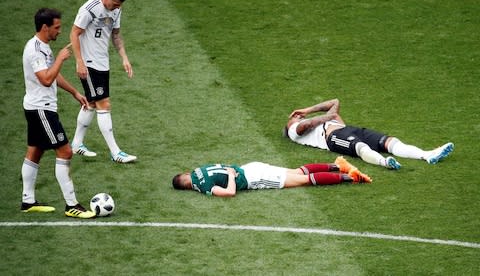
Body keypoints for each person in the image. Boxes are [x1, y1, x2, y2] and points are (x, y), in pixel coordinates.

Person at [21, 8, 95, 218]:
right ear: (45, 27)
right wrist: (61, 58)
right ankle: (71, 205)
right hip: (41, 109)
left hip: (37, 107)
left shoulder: (43, 46)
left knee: (35, 151)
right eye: (57, 27)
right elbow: (45, 79)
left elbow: (52, 75)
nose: (60, 31)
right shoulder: (35, 49)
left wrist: (74, 92)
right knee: (65, 152)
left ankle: (27, 201)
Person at [284, 98, 454, 170]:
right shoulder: (293, 130)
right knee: (360, 147)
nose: (295, 116)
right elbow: (308, 123)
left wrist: (307, 109)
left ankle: (427, 155)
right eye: (292, 117)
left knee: (389, 141)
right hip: (333, 138)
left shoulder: (324, 118)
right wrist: (328, 116)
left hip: (351, 129)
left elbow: (335, 101)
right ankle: (384, 162)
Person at [70, 0, 136, 163]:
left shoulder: (116, 11)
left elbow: (116, 35)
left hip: (102, 63)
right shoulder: (90, 8)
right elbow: (74, 33)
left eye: (119, 5)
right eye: (115, 4)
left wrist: (124, 57)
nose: (117, 8)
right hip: (89, 64)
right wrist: (79, 61)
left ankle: (76, 144)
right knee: (103, 103)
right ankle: (115, 152)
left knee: (91, 102)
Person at [172, 157, 371, 197]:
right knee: (297, 172)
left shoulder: (202, 185)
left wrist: (231, 177)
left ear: (187, 186)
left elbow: (230, 192)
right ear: (186, 174)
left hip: (253, 178)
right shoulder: (199, 169)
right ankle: (338, 165)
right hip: (252, 166)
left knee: (301, 181)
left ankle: (351, 177)